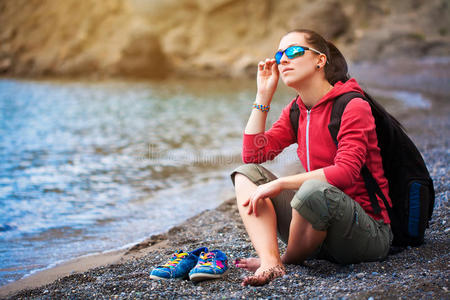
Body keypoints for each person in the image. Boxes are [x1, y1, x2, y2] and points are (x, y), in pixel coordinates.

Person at [230, 29, 393, 287]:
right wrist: (263, 95)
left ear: (320, 60)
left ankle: (286, 258)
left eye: (293, 51)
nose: (283, 59)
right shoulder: (297, 110)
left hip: (366, 235)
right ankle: (271, 262)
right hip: (315, 231)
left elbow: (345, 172)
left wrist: (282, 183)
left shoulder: (352, 105)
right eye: (279, 53)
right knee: (245, 174)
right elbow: (254, 154)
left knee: (313, 190)